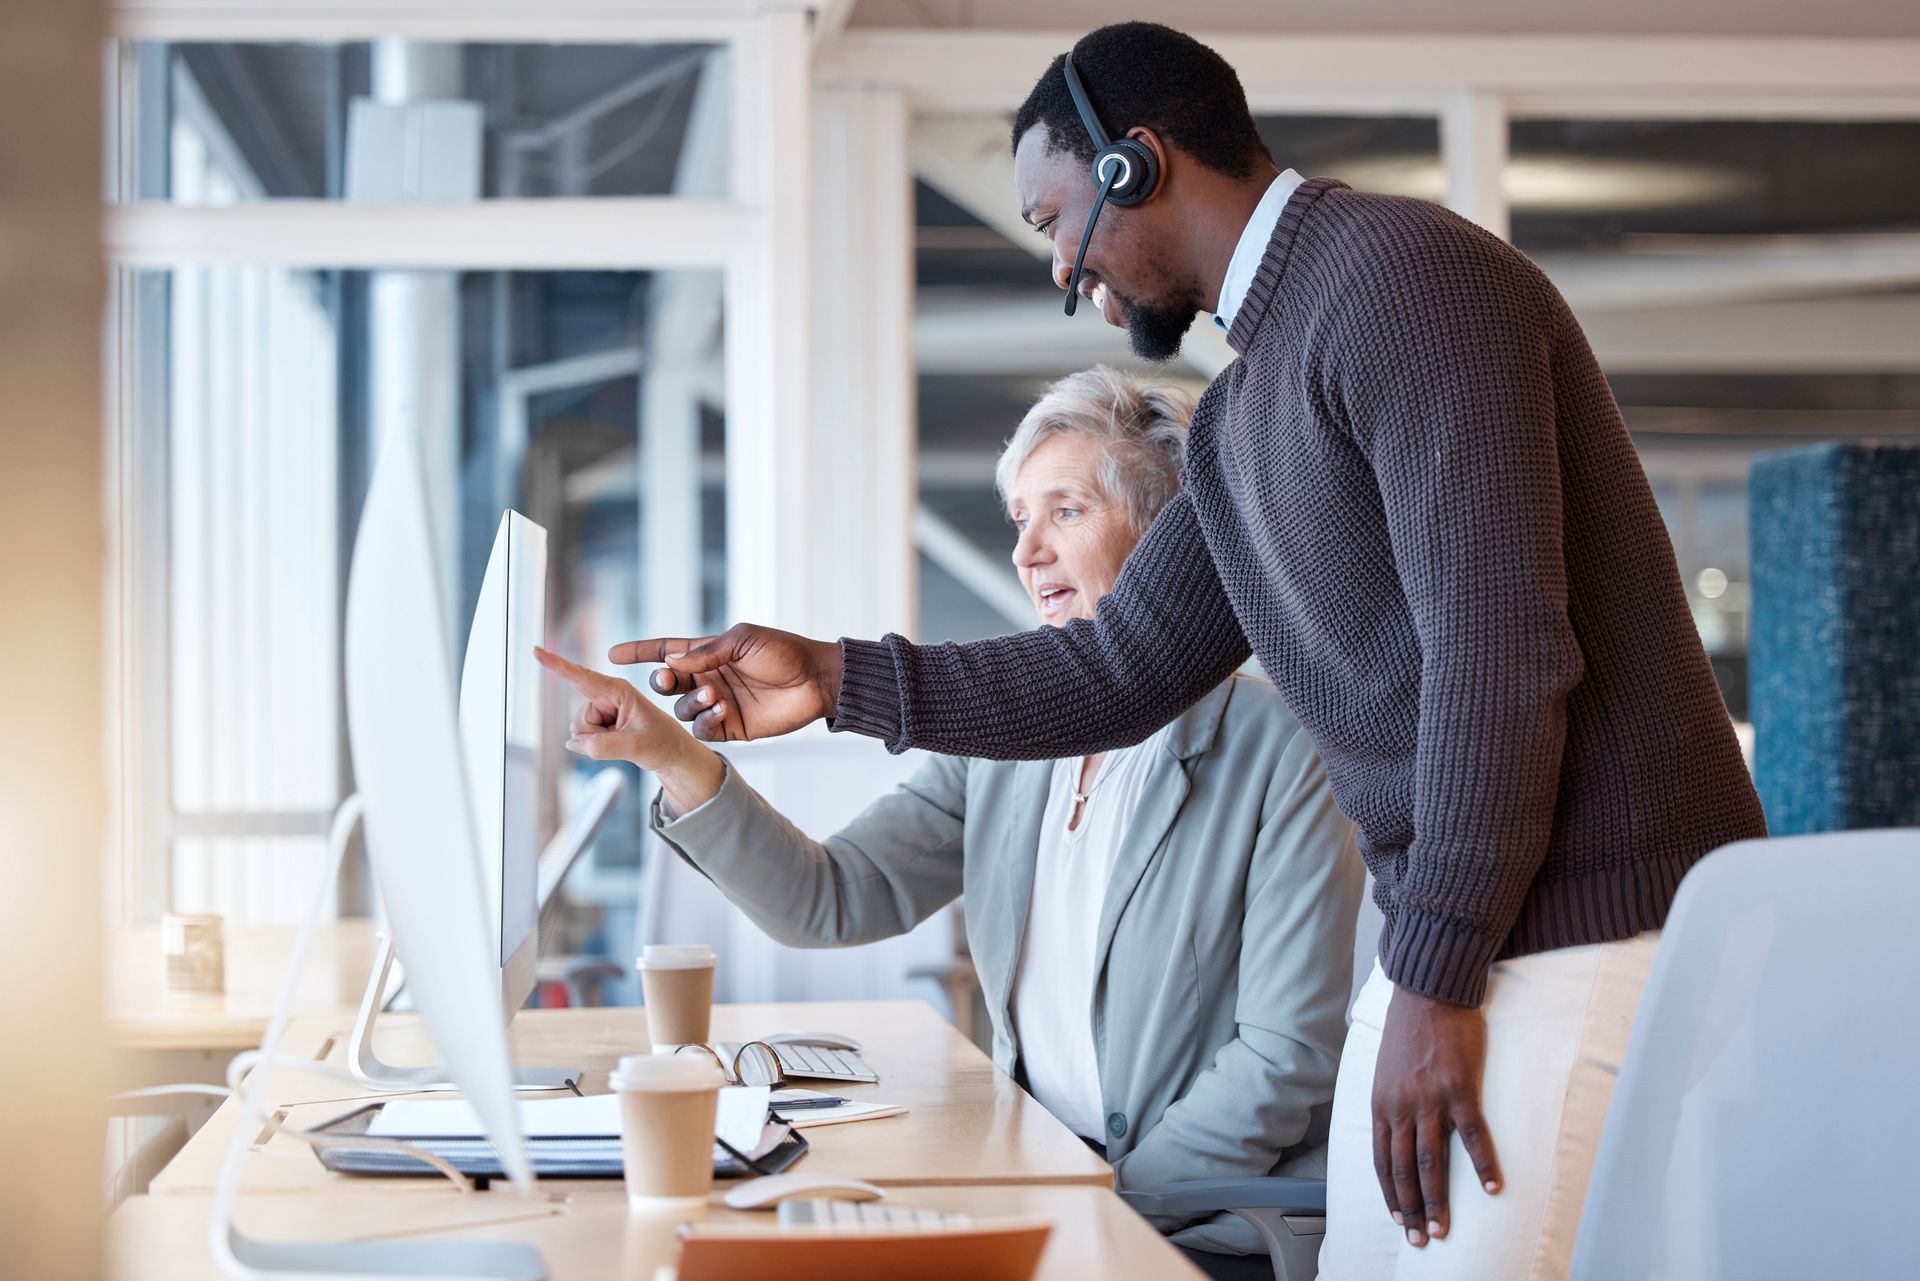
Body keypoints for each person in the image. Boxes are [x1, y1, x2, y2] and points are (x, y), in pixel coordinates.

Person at [607, 22, 1770, 1281]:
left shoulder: (1406, 285)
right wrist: (837, 678)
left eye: (1059, 220)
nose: (1064, 272)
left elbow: (1500, 663)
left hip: (1594, 923)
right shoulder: (1245, 412)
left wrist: (1432, 982)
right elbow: (1112, 673)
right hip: (1469, 936)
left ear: (1136, 165)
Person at [540, 367, 1362, 1274]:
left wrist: (1101, 1199)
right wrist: (673, 757)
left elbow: (1282, 1058)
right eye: (1020, 519)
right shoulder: (1011, 733)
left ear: (1168, 540)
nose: (1027, 553)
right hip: (1036, 1182)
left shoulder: (1285, 747)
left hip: (1186, 1219)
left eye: (1067, 512)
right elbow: (835, 898)